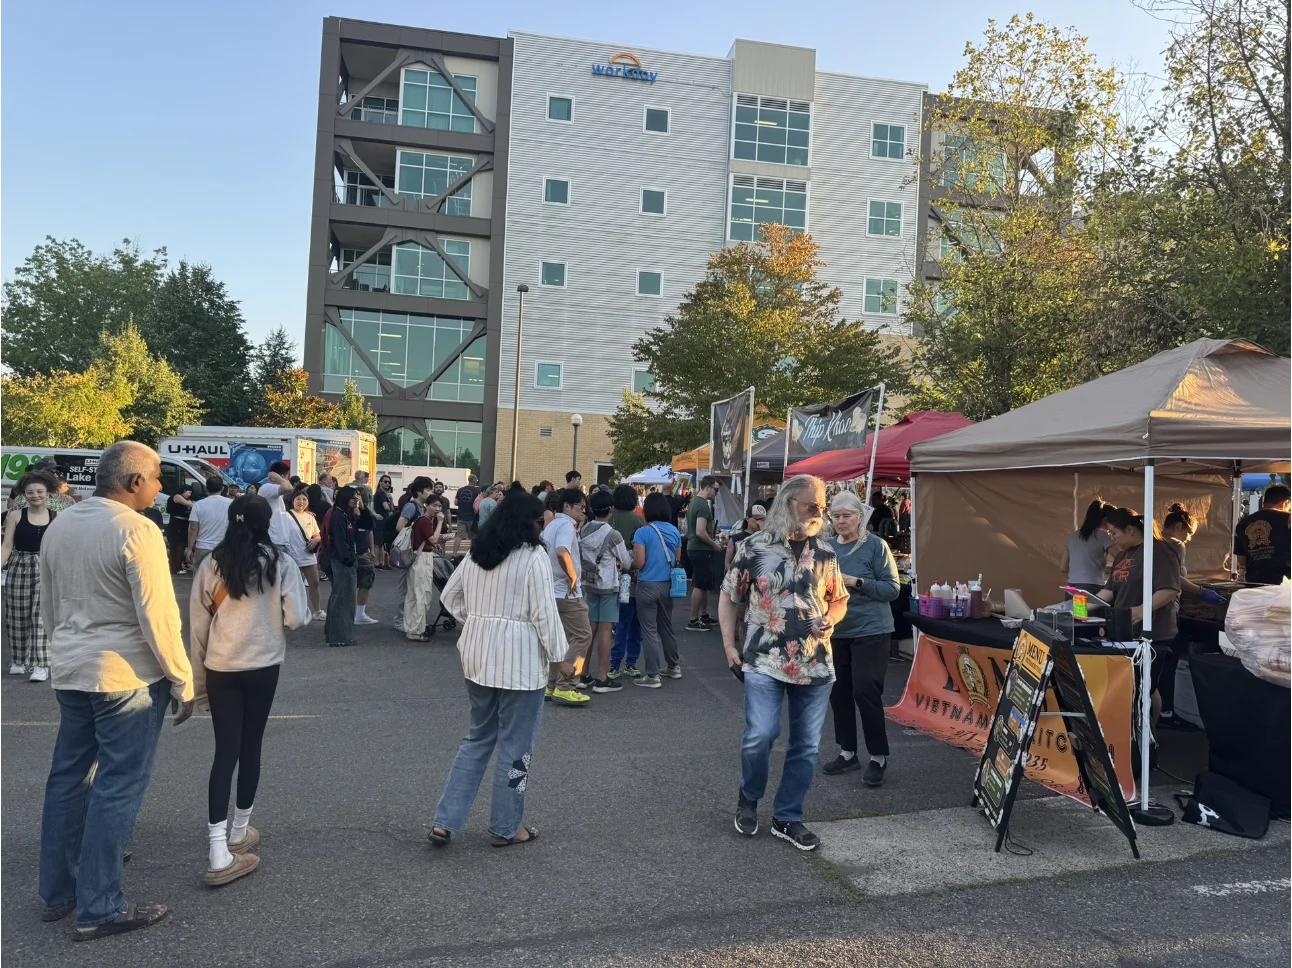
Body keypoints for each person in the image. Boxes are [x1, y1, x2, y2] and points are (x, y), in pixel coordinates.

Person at [38, 441, 194, 940]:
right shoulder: (137, 530)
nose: (159, 488)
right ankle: (100, 906)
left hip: (73, 667)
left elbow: (50, 602)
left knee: (68, 779)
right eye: (155, 479)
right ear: (132, 482)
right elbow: (158, 616)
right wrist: (182, 679)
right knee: (116, 785)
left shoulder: (62, 524)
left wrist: (59, 653)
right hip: (126, 676)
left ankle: (57, 893)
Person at [427, 492, 570, 848]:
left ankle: (446, 820)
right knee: (516, 748)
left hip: (477, 657)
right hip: (520, 664)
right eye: (542, 522)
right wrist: (560, 656)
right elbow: (544, 614)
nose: (544, 529)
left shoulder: (478, 551)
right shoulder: (533, 557)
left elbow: (449, 598)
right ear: (530, 523)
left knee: (477, 738)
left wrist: (477, 621)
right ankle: (506, 826)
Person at [719, 475, 849, 851]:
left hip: (816, 662)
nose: (818, 514)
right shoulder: (753, 547)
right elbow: (730, 597)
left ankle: (787, 817)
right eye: (813, 506)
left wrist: (833, 618)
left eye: (822, 508)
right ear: (790, 503)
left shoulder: (825, 551)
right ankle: (749, 797)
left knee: (806, 746)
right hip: (763, 659)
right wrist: (729, 645)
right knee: (761, 734)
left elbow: (839, 599)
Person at [189, 495, 310, 886]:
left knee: (223, 753)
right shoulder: (280, 562)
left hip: (221, 665)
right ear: (264, 524)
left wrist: (196, 684)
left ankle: (216, 848)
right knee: (251, 746)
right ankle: (240, 831)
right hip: (263, 664)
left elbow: (197, 626)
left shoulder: (211, 563)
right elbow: (296, 619)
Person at [820, 491, 900, 787]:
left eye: (847, 516)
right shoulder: (825, 547)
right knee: (838, 692)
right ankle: (847, 752)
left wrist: (857, 582)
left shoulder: (876, 547)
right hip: (836, 630)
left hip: (872, 630)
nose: (841, 521)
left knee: (865, 690)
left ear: (860, 517)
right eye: (836, 516)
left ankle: (878, 756)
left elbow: (892, 590)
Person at [1097, 507, 1182, 732]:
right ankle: (1141, 735)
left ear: (1130, 530)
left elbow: (1170, 589)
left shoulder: (1160, 551)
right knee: (1141, 686)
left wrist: (1141, 610)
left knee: (1145, 686)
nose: (1113, 539)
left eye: (1115, 533)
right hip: (1125, 631)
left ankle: (1147, 737)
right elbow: (1110, 591)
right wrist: (1082, 603)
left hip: (1155, 632)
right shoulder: (1123, 555)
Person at [3, 470, 59, 682]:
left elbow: (59, 547)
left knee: (41, 617)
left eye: (40, 491)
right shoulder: (15, 515)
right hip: (18, 566)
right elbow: (7, 545)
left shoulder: (56, 517)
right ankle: (19, 660)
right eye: (30, 492)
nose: (35, 495)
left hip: (45, 567)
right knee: (16, 615)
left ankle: (41, 665)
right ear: (24, 495)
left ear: (48, 494)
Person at [575, 491, 633, 692]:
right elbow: (626, 562)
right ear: (611, 509)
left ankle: (583, 675)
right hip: (608, 586)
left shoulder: (585, 530)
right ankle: (602, 678)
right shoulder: (613, 534)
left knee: (588, 631)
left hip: (588, 583)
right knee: (606, 631)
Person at [542, 488, 592, 707]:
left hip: (550, 590)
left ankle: (552, 684)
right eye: (579, 505)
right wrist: (572, 575)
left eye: (584, 505)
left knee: (561, 639)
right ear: (566, 507)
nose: (583, 509)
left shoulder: (551, 525)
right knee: (582, 636)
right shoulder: (566, 525)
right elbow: (562, 551)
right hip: (567, 592)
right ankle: (567, 686)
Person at [632, 493, 683, 688]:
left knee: (649, 630)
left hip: (646, 586)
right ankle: (673, 666)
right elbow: (677, 560)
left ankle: (652, 675)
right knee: (666, 626)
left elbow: (639, 562)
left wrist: (630, 564)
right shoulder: (674, 531)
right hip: (668, 585)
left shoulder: (643, 533)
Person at [608, 484, 645, 679]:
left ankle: (613, 664)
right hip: (630, 578)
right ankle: (631, 662)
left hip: (607, 576)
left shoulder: (609, 518)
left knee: (618, 622)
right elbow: (640, 551)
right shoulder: (637, 520)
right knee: (634, 622)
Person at [392, 477, 434, 633]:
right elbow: (399, 527)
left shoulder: (422, 507)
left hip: (418, 552)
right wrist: (414, 537)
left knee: (414, 588)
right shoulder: (411, 506)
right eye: (428, 489)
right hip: (409, 552)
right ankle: (399, 620)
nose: (430, 492)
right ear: (419, 492)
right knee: (405, 587)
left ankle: (410, 620)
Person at [404, 500, 446, 642]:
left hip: (417, 557)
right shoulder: (426, 521)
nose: (437, 508)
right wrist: (440, 522)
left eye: (439, 506)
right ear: (426, 506)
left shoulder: (422, 520)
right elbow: (433, 539)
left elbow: (428, 540)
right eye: (434, 505)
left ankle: (411, 626)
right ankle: (416, 630)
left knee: (413, 594)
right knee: (423, 594)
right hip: (422, 559)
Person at [324, 486, 361, 648]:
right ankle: (340, 637)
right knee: (344, 599)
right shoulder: (339, 516)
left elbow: (368, 522)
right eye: (353, 497)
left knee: (338, 596)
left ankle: (334, 634)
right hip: (342, 561)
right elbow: (339, 540)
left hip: (340, 559)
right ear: (345, 498)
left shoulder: (343, 514)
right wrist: (349, 559)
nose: (357, 500)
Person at [1234, 483, 1291, 585]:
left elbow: (1241, 561)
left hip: (1255, 583)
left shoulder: (1242, 524)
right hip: (1284, 584)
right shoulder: (1288, 519)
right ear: (1285, 503)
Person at [685, 476, 722, 631]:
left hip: (696, 547)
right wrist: (714, 544)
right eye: (716, 489)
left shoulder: (694, 502)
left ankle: (704, 615)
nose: (717, 493)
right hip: (700, 548)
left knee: (704, 583)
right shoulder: (702, 505)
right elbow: (700, 531)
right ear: (707, 487)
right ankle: (693, 620)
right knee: (700, 584)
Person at [285, 485, 325, 619]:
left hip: (308, 556)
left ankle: (317, 611)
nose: (301, 502)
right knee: (291, 587)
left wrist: (316, 540)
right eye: (298, 499)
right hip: (291, 557)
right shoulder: (285, 516)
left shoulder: (310, 518)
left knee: (314, 583)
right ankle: (289, 613)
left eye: (304, 500)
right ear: (293, 501)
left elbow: (317, 535)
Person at [1061, 499, 1115, 593]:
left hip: (1071, 588)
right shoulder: (1103, 535)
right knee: (1093, 608)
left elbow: (1063, 568)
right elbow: (1122, 559)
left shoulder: (1073, 536)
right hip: (1092, 587)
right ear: (1106, 520)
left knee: (1074, 608)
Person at [187, 477, 233, 572]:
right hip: (224, 548)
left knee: (200, 581)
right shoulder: (231, 504)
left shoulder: (198, 505)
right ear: (222, 488)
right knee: (221, 581)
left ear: (206, 488)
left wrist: (189, 549)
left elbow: (193, 529)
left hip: (203, 548)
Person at [354, 500, 379, 625]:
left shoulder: (364, 516)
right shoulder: (343, 514)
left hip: (363, 552)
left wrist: (372, 550)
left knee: (366, 583)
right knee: (347, 586)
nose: (356, 501)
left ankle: (360, 614)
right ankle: (354, 614)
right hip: (350, 554)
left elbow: (370, 529)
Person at [724, 505, 767, 572]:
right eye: (757, 519)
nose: (760, 522)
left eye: (763, 519)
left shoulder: (766, 538)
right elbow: (728, 562)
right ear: (747, 519)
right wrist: (732, 575)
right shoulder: (736, 538)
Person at [165, 484, 195, 575]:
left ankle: (181, 564)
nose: (189, 494)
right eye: (189, 492)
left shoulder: (184, 498)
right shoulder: (177, 496)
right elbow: (189, 504)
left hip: (183, 524)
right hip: (177, 524)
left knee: (181, 545)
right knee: (177, 546)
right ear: (184, 490)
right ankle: (175, 567)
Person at [453, 474, 481, 556]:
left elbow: (456, 502)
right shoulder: (477, 491)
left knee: (459, 536)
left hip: (461, 516)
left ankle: (454, 554)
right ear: (474, 481)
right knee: (473, 537)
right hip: (472, 517)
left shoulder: (460, 490)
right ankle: (472, 554)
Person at [372, 474, 395, 569]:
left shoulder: (381, 494)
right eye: (385, 482)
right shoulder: (381, 493)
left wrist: (391, 499)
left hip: (382, 519)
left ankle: (379, 562)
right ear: (380, 482)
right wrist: (390, 500)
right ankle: (378, 562)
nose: (387, 484)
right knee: (379, 542)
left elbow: (392, 508)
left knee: (380, 542)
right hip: (381, 520)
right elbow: (387, 507)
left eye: (389, 482)